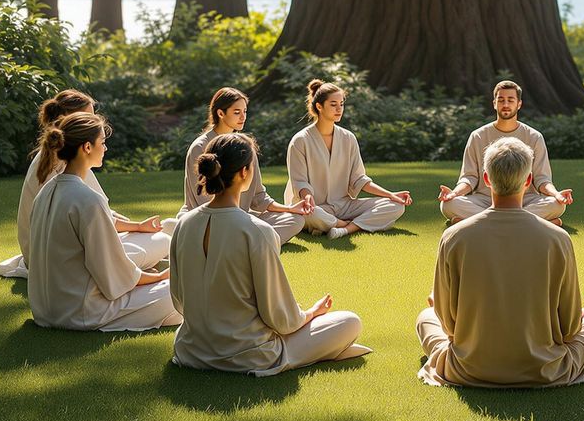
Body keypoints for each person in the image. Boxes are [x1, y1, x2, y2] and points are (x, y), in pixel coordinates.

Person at [417, 138, 584, 387]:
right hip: (543, 369)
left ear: (486, 179)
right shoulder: (558, 238)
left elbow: (448, 325)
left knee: (426, 316)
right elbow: (569, 329)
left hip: (468, 368)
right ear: (528, 180)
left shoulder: (454, 236)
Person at [170, 133, 370, 375]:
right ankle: (321, 351)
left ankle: (322, 349)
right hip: (248, 354)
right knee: (349, 322)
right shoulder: (257, 230)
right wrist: (311, 313)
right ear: (245, 172)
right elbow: (281, 319)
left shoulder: (184, 224)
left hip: (191, 350)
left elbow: (179, 300)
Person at [27, 112, 181, 331]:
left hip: (45, 310)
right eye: (103, 142)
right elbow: (113, 275)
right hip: (79, 312)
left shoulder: (47, 191)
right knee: (185, 288)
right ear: (87, 147)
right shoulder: (88, 199)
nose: (106, 148)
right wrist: (161, 277)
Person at [0, 89, 172, 279]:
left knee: (169, 227)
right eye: (88, 117)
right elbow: (87, 219)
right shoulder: (58, 166)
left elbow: (97, 214)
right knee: (163, 240)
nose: (95, 122)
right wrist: (136, 231)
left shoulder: (70, 160)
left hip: (71, 249)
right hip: (58, 260)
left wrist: (136, 226)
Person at [170, 87, 309, 243]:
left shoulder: (246, 146)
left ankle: (241, 242)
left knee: (295, 220)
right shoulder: (200, 148)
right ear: (220, 113)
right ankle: (249, 243)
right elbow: (203, 199)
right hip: (207, 219)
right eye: (237, 112)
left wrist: (290, 209)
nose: (243, 117)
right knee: (234, 229)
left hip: (241, 217)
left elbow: (258, 196)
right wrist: (237, 219)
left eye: (245, 111)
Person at [287, 80, 411, 239]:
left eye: (341, 104)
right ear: (319, 106)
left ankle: (345, 228)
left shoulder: (348, 138)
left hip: (345, 205)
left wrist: (390, 195)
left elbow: (359, 179)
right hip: (315, 207)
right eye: (333, 104)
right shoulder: (300, 141)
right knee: (311, 215)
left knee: (396, 206)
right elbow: (299, 182)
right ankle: (347, 223)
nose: (339, 109)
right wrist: (308, 198)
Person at [438, 80, 572, 225]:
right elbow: (469, 178)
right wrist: (454, 193)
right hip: (486, 199)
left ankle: (479, 221)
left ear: (519, 104)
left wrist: (556, 194)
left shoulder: (534, 137)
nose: (506, 104)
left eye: (510, 100)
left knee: (557, 205)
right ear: (494, 103)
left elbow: (542, 179)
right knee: (448, 205)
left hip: (524, 199)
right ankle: (528, 222)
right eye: (501, 100)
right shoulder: (477, 136)